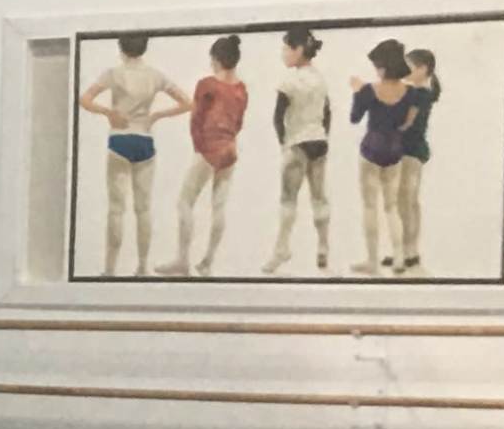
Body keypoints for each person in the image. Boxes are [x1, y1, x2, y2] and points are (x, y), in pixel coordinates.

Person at [78, 30, 185, 276]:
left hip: (119, 140)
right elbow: (187, 102)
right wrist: (157, 115)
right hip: (145, 141)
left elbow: (85, 99)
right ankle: (142, 267)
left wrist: (108, 113)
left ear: (121, 47)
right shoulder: (156, 75)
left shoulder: (113, 74)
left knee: (116, 209)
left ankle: (109, 270)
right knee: (143, 209)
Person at [166, 33, 248, 273]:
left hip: (210, 147)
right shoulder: (241, 89)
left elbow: (196, 119)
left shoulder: (207, 85)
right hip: (230, 149)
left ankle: (182, 260)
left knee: (184, 201)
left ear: (217, 60)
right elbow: (239, 122)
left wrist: (199, 147)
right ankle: (207, 262)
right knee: (219, 206)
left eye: (212, 59)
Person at [265, 28, 333, 273]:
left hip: (297, 142)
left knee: (288, 199)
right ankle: (323, 246)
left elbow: (278, 117)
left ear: (299, 50)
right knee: (319, 197)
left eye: (287, 48)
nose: (284, 53)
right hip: (319, 141)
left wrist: (284, 143)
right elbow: (327, 113)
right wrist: (323, 134)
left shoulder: (289, 81)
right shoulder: (320, 78)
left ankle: (281, 249)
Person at [349, 39, 418, 273]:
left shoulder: (369, 90)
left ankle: (372, 260)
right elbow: (408, 122)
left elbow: (354, 118)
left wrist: (357, 93)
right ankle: (398, 258)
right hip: (394, 151)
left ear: (383, 66)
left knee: (370, 207)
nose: (375, 70)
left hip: (371, 150)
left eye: (377, 65)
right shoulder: (410, 92)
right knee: (391, 207)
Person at [392, 46, 441, 273]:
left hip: (409, 150)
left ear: (422, 69)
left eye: (408, 67)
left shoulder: (417, 95)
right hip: (412, 150)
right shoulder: (421, 94)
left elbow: (405, 124)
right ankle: (410, 251)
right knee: (410, 202)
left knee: (406, 202)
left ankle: (407, 252)